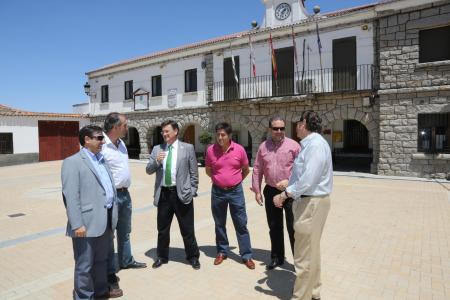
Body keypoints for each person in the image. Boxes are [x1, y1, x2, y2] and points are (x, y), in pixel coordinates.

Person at [273, 111, 333, 300]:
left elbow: (308, 180)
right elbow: (305, 176)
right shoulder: (313, 144)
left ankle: (301, 297)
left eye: (298, 122)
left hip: (310, 203)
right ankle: (313, 292)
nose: (295, 126)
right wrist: (289, 183)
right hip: (312, 201)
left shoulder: (314, 145)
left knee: (303, 257)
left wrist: (284, 195)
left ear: (304, 123)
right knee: (311, 252)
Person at [61, 125, 123, 299]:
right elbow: (70, 196)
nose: (103, 141)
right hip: (85, 224)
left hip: (105, 220)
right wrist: (77, 223)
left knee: (101, 261)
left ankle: (101, 292)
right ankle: (83, 296)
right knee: (84, 265)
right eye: (99, 138)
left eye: (102, 138)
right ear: (86, 140)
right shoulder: (72, 162)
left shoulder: (101, 159)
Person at [146, 120, 201, 270]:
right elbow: (148, 170)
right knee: (162, 229)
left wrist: (192, 190)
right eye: (162, 132)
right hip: (164, 194)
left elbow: (194, 173)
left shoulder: (187, 148)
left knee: (187, 228)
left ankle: (193, 256)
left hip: (182, 194)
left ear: (175, 131)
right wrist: (157, 161)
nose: (164, 134)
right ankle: (162, 256)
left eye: (167, 131)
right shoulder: (157, 149)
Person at [102, 113, 146, 289]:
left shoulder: (121, 146)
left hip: (125, 194)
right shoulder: (101, 146)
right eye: (125, 125)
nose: (128, 128)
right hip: (109, 196)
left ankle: (126, 260)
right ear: (115, 127)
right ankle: (110, 269)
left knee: (125, 230)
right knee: (109, 234)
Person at [251, 116, 300, 270]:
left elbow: (302, 170)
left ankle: (299, 263)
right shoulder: (263, 147)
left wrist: (291, 183)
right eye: (275, 128)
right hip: (271, 190)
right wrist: (257, 191)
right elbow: (257, 168)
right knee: (274, 226)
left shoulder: (294, 146)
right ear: (270, 129)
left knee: (293, 228)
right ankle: (277, 257)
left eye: (282, 128)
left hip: (291, 192)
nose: (279, 131)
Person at [205, 122, 255, 270]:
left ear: (230, 136)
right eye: (218, 134)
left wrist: (236, 181)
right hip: (218, 192)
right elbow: (208, 170)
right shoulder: (210, 151)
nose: (220, 137)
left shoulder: (239, 150)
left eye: (223, 135)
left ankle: (246, 255)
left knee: (241, 223)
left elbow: (246, 170)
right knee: (219, 223)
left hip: (235, 192)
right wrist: (217, 180)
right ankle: (222, 251)